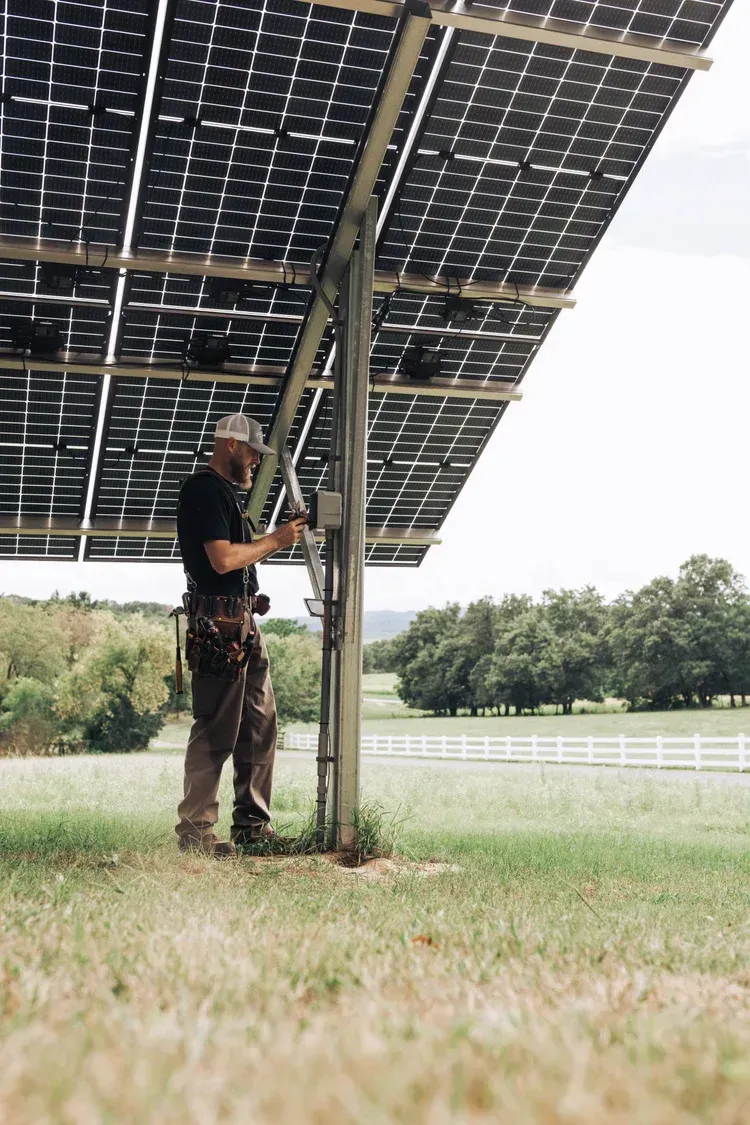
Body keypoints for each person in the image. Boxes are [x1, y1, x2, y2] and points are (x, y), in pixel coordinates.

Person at [175, 413, 307, 858]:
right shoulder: (204, 490)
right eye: (251, 451)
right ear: (231, 444)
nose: (255, 460)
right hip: (219, 627)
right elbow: (222, 560)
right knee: (216, 730)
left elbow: (236, 563)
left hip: (241, 623)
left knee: (259, 726)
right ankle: (195, 833)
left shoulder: (226, 496)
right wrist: (277, 540)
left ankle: (252, 827)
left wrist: (252, 591)